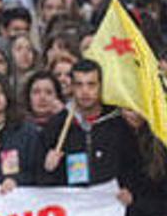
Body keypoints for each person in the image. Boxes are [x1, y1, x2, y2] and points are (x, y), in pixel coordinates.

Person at [38, 60, 142, 201]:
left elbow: (135, 166)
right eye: (79, 84)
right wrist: (48, 169)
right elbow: (41, 184)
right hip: (75, 211)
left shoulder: (118, 123)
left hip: (111, 209)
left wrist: (130, 189)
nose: (85, 91)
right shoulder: (57, 125)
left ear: (101, 86)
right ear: (71, 87)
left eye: (91, 84)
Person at [117, 109, 167, 216]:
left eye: (137, 109)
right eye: (127, 109)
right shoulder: (111, 134)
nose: (132, 114)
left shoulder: (160, 140)